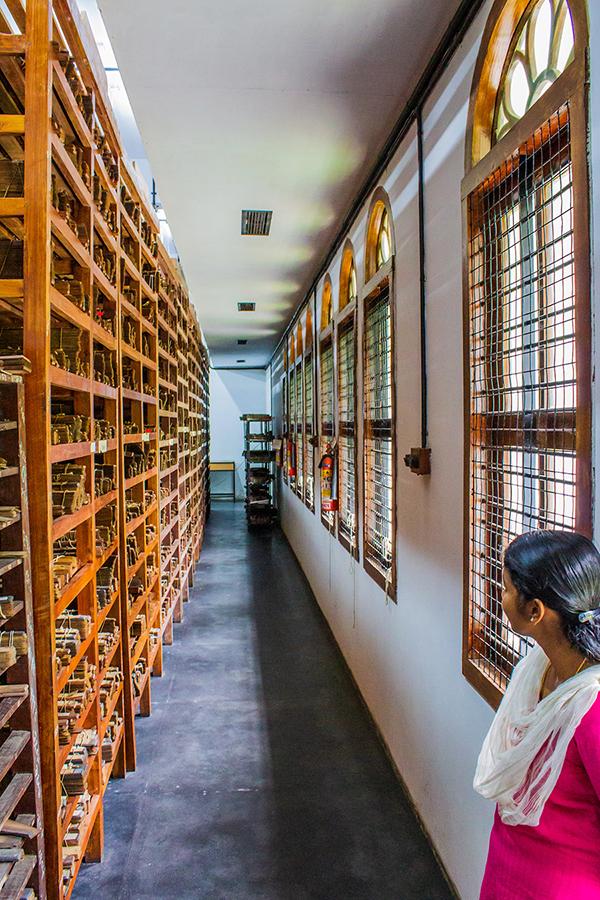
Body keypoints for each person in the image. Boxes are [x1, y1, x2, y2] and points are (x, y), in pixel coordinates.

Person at [474, 530, 600, 899]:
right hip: (507, 865)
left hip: (561, 886)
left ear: (534, 611)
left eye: (507, 587)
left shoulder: (591, 709)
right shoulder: (539, 667)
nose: (501, 595)